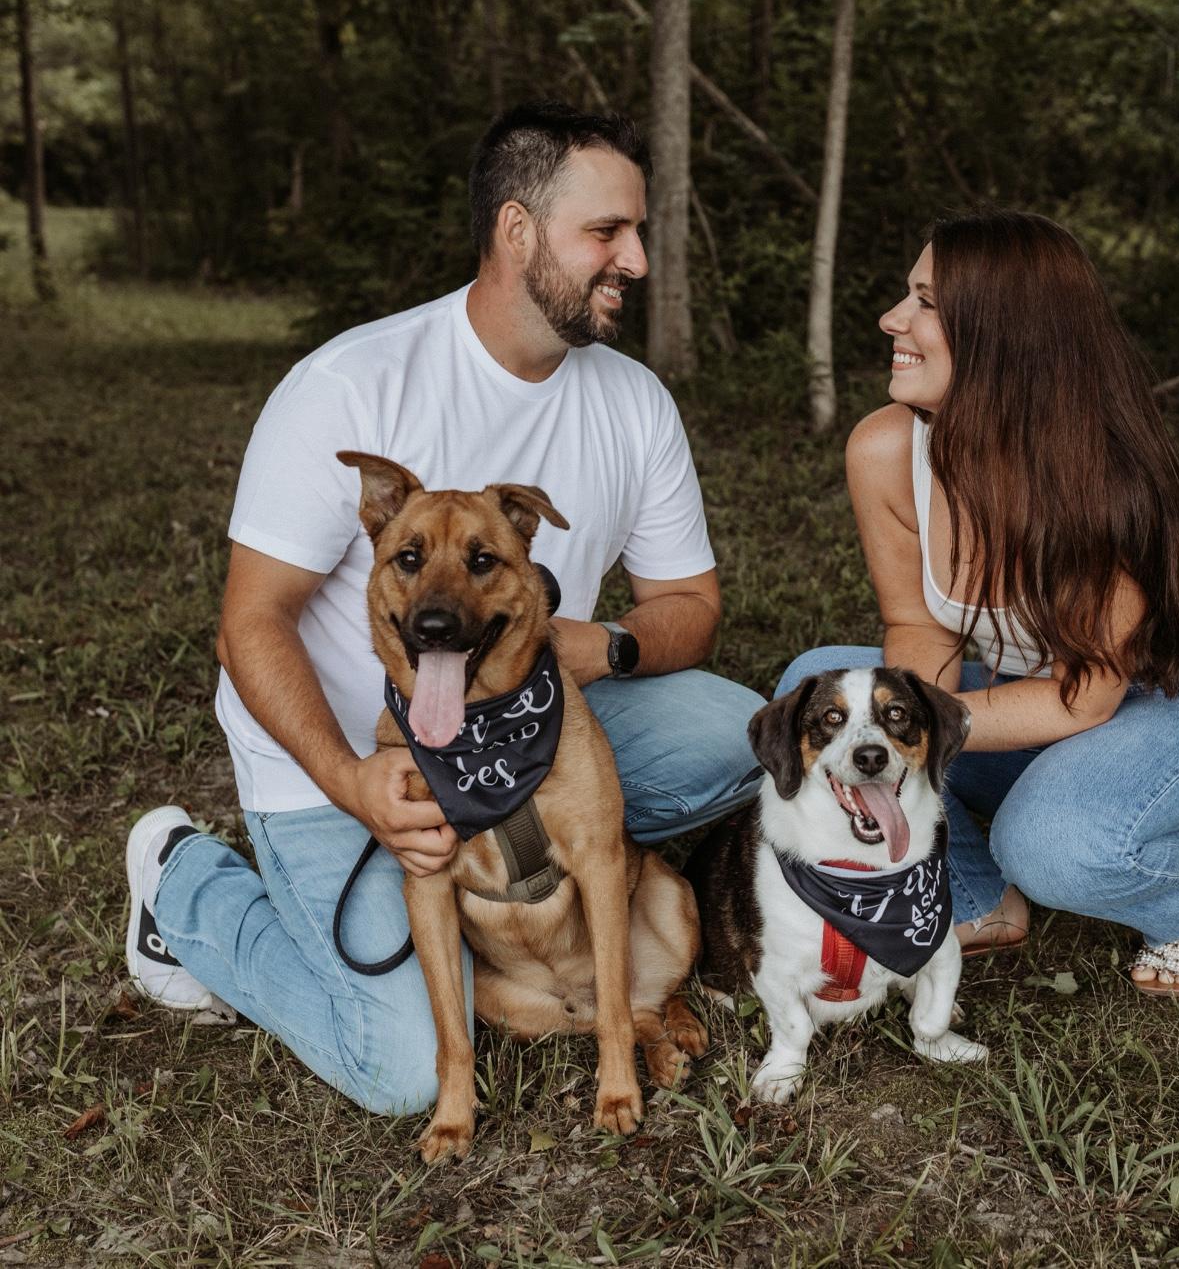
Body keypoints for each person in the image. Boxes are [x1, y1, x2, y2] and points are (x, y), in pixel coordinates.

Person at [123, 101, 764, 1112]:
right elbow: (250, 626)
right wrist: (351, 783)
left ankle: (552, 863)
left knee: (741, 732)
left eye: (637, 232)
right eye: (607, 231)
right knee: (402, 1068)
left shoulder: (634, 402)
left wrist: (605, 646)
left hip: (537, 713)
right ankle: (186, 883)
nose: (636, 260)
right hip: (353, 759)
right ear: (518, 230)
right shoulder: (349, 385)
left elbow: (688, 602)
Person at [775, 209, 1179, 995]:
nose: (892, 320)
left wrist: (916, 732)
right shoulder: (884, 450)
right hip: (1028, 704)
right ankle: (978, 899)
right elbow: (916, 623)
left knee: (1047, 843)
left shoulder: (1105, 484)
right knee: (817, 687)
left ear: (1003, 335)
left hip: (1170, 709)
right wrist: (904, 722)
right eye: (908, 295)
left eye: (926, 303)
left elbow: (1086, 699)